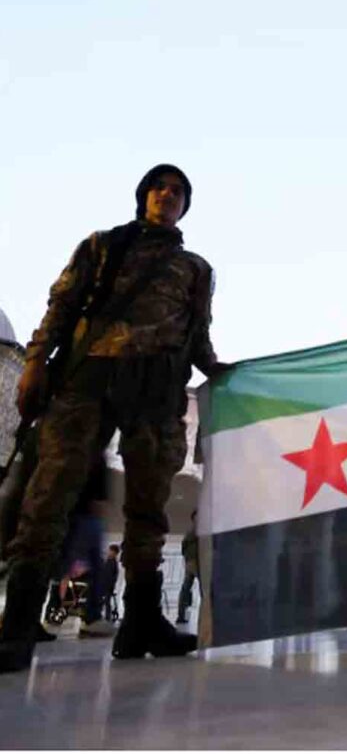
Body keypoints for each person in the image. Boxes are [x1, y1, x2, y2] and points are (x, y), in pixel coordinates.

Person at [0, 164, 223, 672]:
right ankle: (15, 628)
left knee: (149, 508)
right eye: (159, 188)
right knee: (48, 497)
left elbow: (198, 336)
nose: (167, 195)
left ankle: (142, 621)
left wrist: (220, 371)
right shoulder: (102, 247)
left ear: (184, 205)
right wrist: (35, 362)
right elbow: (62, 306)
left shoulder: (196, 269)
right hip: (89, 380)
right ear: (143, 196)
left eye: (177, 191)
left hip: (159, 388)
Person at [176, 514, 199, 625]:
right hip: (196, 561)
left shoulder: (189, 531)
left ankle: (181, 615)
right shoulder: (198, 528)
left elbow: (183, 547)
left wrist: (187, 558)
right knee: (206, 588)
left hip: (190, 561)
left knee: (185, 588)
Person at [101, 543, 120, 621]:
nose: (108, 552)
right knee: (104, 601)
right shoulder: (108, 561)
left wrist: (111, 585)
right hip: (104, 584)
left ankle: (107, 617)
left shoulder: (113, 563)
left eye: (110, 551)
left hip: (108, 586)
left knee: (107, 602)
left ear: (114, 553)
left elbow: (113, 576)